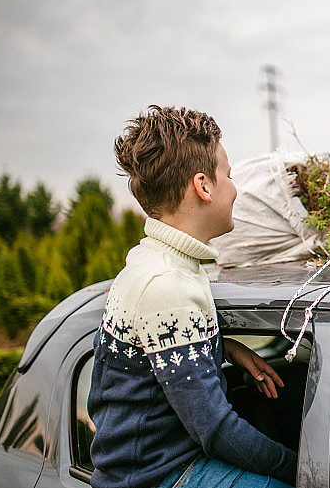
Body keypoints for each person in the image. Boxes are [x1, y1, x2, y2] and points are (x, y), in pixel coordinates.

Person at [88, 105, 297, 488]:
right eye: (228, 176)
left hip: (154, 462)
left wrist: (225, 346)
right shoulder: (168, 285)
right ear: (203, 186)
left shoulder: (156, 263)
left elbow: (154, 349)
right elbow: (216, 430)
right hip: (156, 475)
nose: (234, 188)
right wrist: (301, 470)